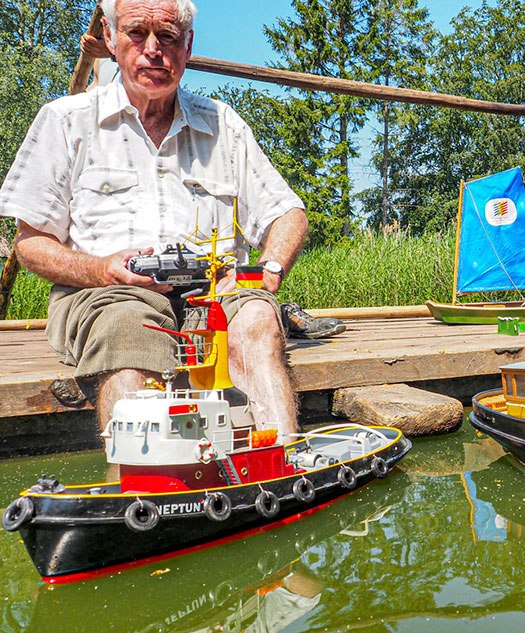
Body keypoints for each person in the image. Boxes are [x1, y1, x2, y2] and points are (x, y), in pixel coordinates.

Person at [0, 0, 308, 435]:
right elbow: (30, 243)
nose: (152, 50)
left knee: (256, 320)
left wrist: (268, 272)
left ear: (188, 45)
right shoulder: (66, 120)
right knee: (129, 332)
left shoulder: (223, 125)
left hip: (213, 292)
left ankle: (282, 458)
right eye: (136, 33)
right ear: (110, 37)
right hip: (107, 294)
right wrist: (101, 270)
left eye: (167, 36)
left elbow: (287, 213)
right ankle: (140, 474)